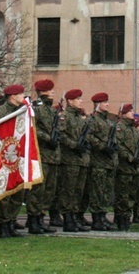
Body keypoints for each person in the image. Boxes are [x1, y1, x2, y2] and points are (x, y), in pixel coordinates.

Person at [0, 84, 27, 239]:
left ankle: (12, 222)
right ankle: (3, 225)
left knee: (17, 192)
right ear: (13, 96)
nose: (23, 97)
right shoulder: (0, 112)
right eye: (21, 95)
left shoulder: (22, 112)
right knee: (4, 193)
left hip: (17, 158)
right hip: (3, 158)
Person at [26, 79, 60, 235]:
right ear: (43, 92)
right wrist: (48, 138)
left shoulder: (51, 110)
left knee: (49, 190)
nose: (53, 92)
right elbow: (32, 128)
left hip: (52, 156)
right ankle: (33, 220)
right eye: (50, 90)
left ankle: (41, 218)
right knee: (38, 189)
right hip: (41, 154)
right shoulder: (36, 109)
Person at [57, 89, 91, 232]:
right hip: (70, 159)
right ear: (70, 101)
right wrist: (74, 145)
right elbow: (61, 135)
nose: (80, 101)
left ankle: (75, 217)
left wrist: (85, 145)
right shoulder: (65, 116)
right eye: (77, 99)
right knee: (68, 190)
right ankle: (67, 219)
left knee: (78, 191)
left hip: (81, 159)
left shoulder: (79, 117)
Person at [86, 92, 117, 231]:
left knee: (105, 192)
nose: (107, 105)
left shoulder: (108, 121)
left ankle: (103, 217)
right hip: (98, 162)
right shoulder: (93, 120)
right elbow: (89, 136)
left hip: (108, 162)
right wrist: (103, 146)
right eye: (104, 103)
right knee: (97, 192)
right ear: (98, 104)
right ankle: (97, 219)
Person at [114, 103, 139, 231]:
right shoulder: (120, 127)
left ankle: (127, 218)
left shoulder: (133, 130)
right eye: (130, 111)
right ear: (123, 114)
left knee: (131, 195)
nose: (132, 113)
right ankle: (120, 219)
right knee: (122, 195)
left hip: (133, 168)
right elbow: (118, 145)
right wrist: (130, 157)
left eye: (132, 111)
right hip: (123, 166)